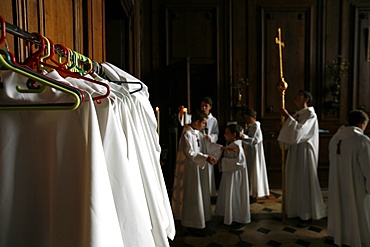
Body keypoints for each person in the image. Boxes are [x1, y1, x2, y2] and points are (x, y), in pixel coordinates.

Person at [172, 109, 230, 232]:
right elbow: (189, 153)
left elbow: (208, 146)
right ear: (197, 122)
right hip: (192, 171)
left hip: (201, 169)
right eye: (203, 123)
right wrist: (205, 157)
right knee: (193, 195)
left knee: (202, 193)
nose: (204, 125)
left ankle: (202, 219)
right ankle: (192, 223)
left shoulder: (199, 134)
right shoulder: (186, 135)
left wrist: (222, 148)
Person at [277, 89, 326, 227]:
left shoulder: (311, 115)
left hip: (305, 151)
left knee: (303, 181)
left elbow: (301, 132)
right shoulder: (297, 114)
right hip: (295, 151)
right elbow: (292, 131)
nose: (295, 100)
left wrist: (288, 119)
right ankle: (294, 210)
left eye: (298, 97)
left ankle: (306, 214)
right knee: (294, 179)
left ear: (306, 99)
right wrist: (284, 125)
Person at [328, 109, 370, 246]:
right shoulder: (361, 140)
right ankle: (358, 239)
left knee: (341, 208)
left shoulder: (335, 138)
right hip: (356, 185)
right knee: (357, 211)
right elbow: (367, 168)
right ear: (363, 124)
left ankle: (341, 237)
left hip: (338, 183)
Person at [178, 96, 219, 196]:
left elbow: (216, 134)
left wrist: (212, 138)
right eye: (202, 106)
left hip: (206, 147)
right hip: (195, 161)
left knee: (205, 180)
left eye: (206, 106)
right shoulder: (189, 133)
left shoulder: (213, 120)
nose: (203, 108)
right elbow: (184, 121)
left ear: (210, 107)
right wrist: (182, 114)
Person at [216, 124, 251, 230]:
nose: (224, 135)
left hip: (236, 177)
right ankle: (229, 216)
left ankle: (238, 218)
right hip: (229, 174)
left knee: (236, 195)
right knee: (229, 195)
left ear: (234, 134)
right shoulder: (230, 144)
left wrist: (224, 161)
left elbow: (241, 162)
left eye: (227, 133)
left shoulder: (236, 145)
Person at [241, 108, 270, 201]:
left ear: (254, 117)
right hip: (249, 151)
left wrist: (243, 136)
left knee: (254, 170)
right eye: (246, 119)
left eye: (249, 119)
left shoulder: (256, 126)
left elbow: (255, 140)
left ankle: (254, 192)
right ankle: (250, 191)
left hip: (254, 152)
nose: (247, 121)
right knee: (250, 170)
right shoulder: (250, 126)